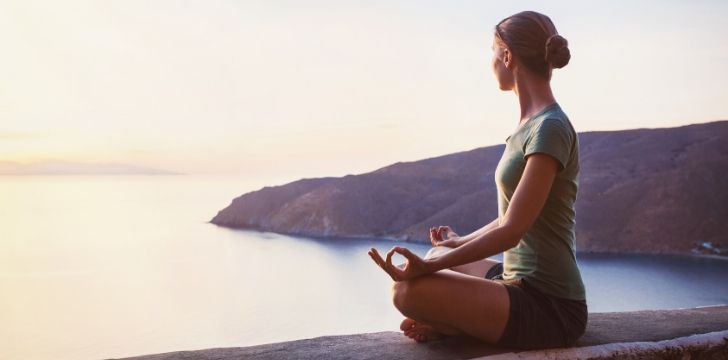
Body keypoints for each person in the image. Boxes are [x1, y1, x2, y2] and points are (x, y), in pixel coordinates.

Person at [368, 10, 587, 350]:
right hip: (515, 281)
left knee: (406, 290)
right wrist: (456, 243)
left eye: (492, 51)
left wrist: (430, 266)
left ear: (507, 56)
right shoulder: (530, 126)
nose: (492, 62)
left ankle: (455, 326)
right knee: (439, 250)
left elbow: (513, 230)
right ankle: (457, 323)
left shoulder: (550, 128)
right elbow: (509, 218)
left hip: (550, 305)